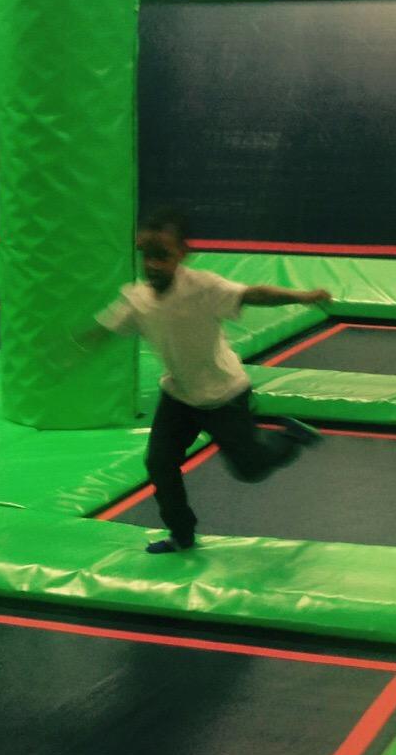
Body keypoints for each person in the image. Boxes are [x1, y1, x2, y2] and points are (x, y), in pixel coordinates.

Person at [87, 208, 332, 554]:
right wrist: (70, 346)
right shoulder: (137, 298)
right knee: (159, 463)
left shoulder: (204, 288)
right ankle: (182, 534)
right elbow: (105, 329)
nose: (154, 265)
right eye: (147, 256)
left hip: (224, 395)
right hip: (178, 396)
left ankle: (291, 438)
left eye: (163, 256)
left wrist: (304, 296)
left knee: (250, 470)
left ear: (182, 254)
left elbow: (254, 293)